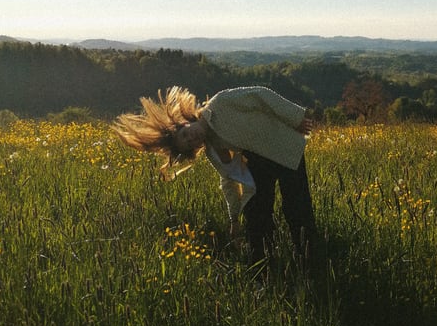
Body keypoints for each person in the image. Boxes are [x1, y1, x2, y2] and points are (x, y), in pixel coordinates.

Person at [113, 85, 316, 263]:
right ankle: (264, 266)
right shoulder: (213, 148)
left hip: (285, 148)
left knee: (297, 208)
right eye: (190, 144)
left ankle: (310, 259)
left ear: (184, 123)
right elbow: (229, 178)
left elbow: (260, 94)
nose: (192, 138)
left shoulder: (220, 103)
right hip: (259, 161)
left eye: (185, 134)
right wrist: (234, 218)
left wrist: (295, 117)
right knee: (255, 214)